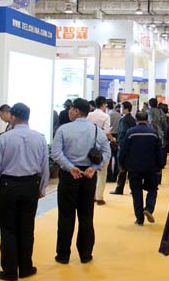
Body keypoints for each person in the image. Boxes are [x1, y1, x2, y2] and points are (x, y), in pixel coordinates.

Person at [0, 103, 49, 281]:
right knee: (27, 228)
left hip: (8, 186)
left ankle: (9, 271)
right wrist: (42, 187)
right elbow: (44, 166)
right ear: (28, 117)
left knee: (8, 229)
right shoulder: (40, 138)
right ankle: (26, 268)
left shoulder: (4, 139)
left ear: (12, 117)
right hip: (31, 184)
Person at [52, 98, 111, 264]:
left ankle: (63, 255)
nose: (69, 112)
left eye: (71, 109)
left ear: (76, 111)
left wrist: (70, 167)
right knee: (86, 216)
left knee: (66, 216)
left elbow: (56, 153)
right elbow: (106, 153)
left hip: (69, 176)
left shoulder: (63, 129)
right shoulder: (97, 130)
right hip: (88, 176)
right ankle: (85, 254)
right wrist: (95, 167)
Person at [119, 111, 165, 226]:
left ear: (136, 120)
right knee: (152, 189)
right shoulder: (153, 133)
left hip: (134, 167)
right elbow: (159, 151)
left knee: (136, 191)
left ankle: (139, 219)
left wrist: (122, 165)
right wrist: (160, 166)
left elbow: (124, 150)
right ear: (147, 120)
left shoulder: (130, 132)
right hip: (151, 167)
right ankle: (149, 208)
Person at [87, 96, 112, 206]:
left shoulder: (89, 115)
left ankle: (91, 195)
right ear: (103, 105)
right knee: (102, 172)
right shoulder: (105, 116)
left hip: (89, 145)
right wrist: (113, 139)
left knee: (90, 171)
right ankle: (99, 197)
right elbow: (107, 132)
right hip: (101, 146)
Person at [110, 101, 137, 196]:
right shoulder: (132, 119)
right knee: (130, 168)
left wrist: (119, 143)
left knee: (122, 167)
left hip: (124, 146)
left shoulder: (124, 120)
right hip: (131, 146)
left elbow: (122, 133)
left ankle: (119, 188)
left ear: (126, 109)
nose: (120, 109)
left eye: (121, 107)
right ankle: (133, 188)